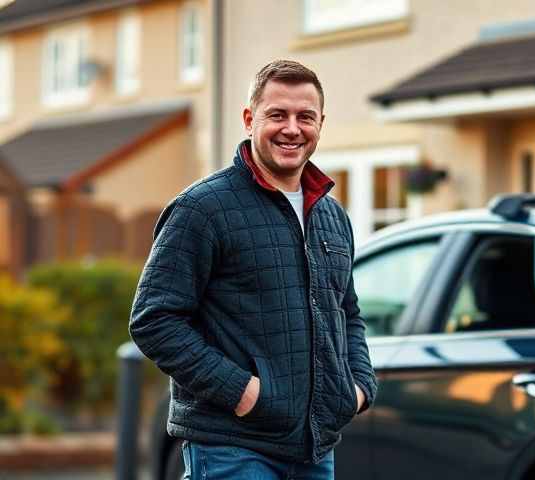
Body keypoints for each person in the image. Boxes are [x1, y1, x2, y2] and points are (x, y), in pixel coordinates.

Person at [129, 59, 377, 479]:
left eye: (306, 117)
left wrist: (356, 388)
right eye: (277, 114)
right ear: (249, 119)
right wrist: (242, 392)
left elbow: (347, 313)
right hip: (233, 448)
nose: (292, 128)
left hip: (316, 449)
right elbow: (155, 320)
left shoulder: (332, 215)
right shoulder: (203, 208)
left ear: (321, 124)